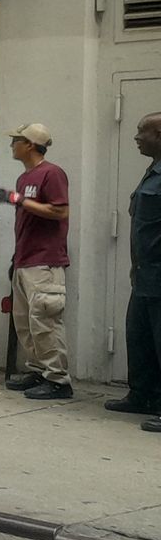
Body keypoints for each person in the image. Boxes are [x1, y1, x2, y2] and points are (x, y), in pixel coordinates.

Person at [0, 123, 72, 400]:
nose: (11, 144)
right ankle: (39, 370)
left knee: (46, 322)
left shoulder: (52, 174)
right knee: (26, 323)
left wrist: (17, 200)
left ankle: (58, 380)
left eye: (16, 140)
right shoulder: (25, 177)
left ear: (29, 144)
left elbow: (59, 211)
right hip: (25, 260)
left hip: (45, 262)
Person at [108, 111, 161, 429]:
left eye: (144, 131)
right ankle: (143, 394)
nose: (137, 137)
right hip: (143, 272)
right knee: (139, 335)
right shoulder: (152, 170)